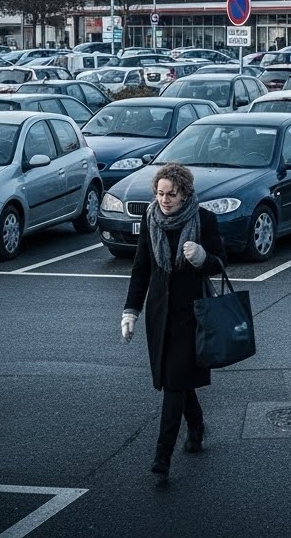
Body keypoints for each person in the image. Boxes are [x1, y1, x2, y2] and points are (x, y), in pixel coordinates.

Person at [121, 163, 228, 489]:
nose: (165, 200)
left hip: (192, 316)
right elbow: (141, 270)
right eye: (160, 193)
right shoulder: (151, 219)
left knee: (173, 384)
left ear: (185, 194)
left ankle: (162, 457)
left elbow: (220, 262)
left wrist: (202, 257)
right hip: (159, 316)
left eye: (172, 194)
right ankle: (196, 426)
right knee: (178, 382)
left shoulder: (204, 220)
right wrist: (130, 311)